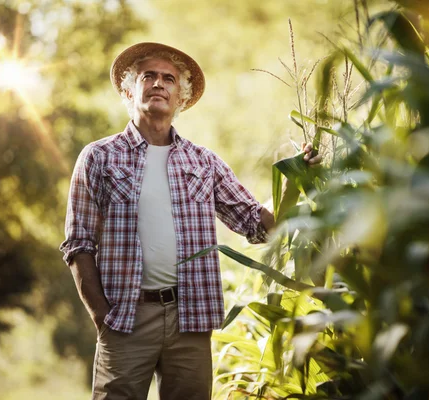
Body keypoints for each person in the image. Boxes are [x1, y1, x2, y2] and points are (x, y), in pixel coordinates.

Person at [59, 42, 321, 400]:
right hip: (125, 318)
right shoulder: (99, 157)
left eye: (168, 79)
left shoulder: (204, 162)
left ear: (180, 97)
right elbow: (78, 244)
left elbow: (259, 225)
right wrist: (102, 317)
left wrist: (291, 183)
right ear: (128, 89)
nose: (158, 84)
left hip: (191, 318)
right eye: (148, 76)